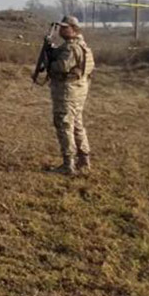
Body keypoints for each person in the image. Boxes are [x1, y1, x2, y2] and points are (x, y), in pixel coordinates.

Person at [43, 16, 95, 176]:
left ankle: (68, 164)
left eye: (65, 28)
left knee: (64, 124)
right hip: (78, 90)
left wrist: (48, 63)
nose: (61, 30)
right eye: (60, 27)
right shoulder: (80, 45)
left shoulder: (71, 48)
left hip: (68, 92)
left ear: (74, 29)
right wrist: (52, 50)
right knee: (77, 124)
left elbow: (61, 66)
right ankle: (84, 159)